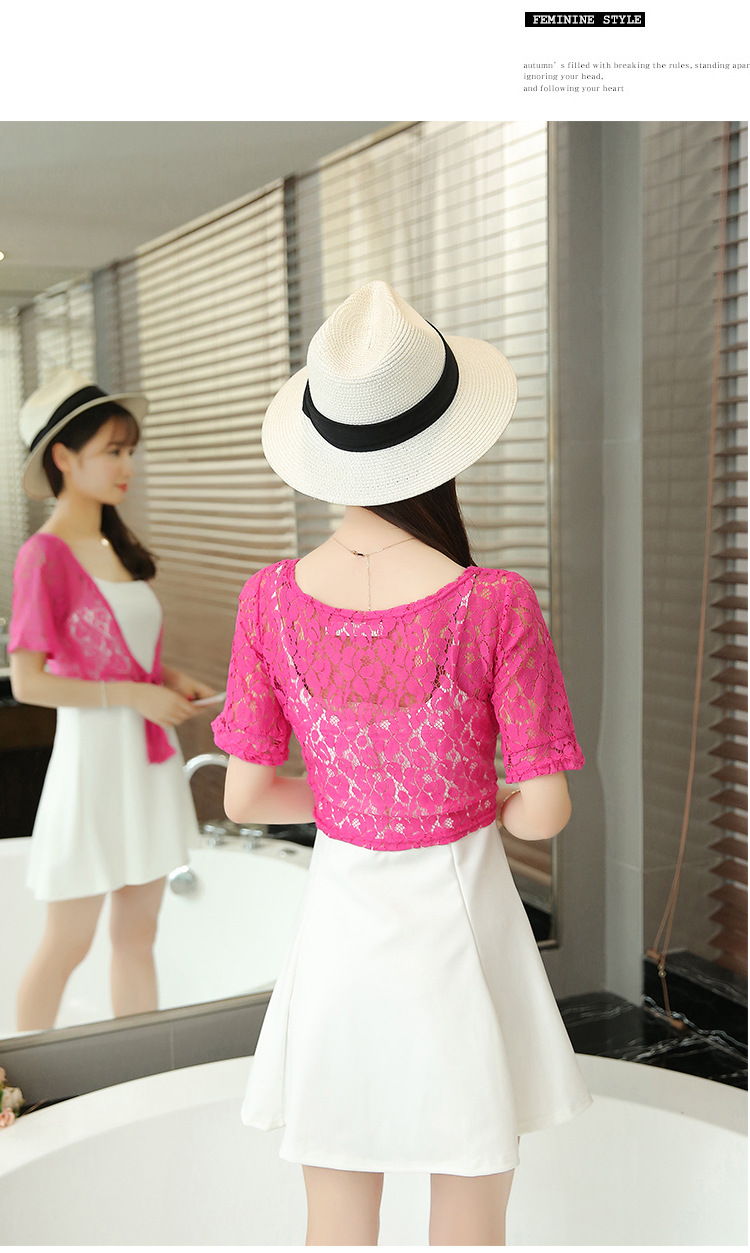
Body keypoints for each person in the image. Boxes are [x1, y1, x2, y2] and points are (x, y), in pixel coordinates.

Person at [211, 281, 593, 1246]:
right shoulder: (492, 601)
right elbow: (545, 808)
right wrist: (484, 801)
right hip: (462, 931)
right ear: (445, 447)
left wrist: (352, 798)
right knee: (470, 1211)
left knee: (336, 1217)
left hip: (339, 933)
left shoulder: (268, 600)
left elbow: (245, 795)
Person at [9, 369, 213, 1031]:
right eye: (113, 451)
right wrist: (132, 694)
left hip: (146, 766)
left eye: (130, 450)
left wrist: (168, 677)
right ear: (64, 458)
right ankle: (16, 1077)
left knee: (137, 936)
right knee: (68, 942)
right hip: (93, 766)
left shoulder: (112, 545)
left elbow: (122, 650)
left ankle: (141, 1070)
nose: (128, 466)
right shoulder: (43, 556)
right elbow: (28, 681)